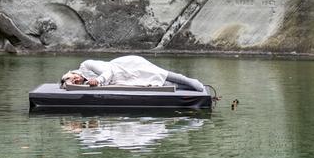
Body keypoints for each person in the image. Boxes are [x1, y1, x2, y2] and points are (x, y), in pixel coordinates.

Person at [60, 55, 205, 92]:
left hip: (129, 66)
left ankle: (195, 84)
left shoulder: (86, 65)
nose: (76, 81)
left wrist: (98, 81)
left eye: (73, 79)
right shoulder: (85, 82)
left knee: (164, 74)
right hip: (125, 79)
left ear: (73, 73)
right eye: (74, 82)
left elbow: (109, 71)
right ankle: (194, 89)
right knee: (162, 84)